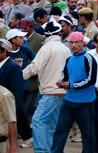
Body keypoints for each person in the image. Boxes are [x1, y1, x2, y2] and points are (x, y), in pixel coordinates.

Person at [22, 21, 71, 153]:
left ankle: (43, 151)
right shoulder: (65, 48)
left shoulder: (47, 48)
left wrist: (19, 75)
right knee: (51, 125)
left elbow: (34, 67)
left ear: (46, 34)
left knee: (38, 121)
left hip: (51, 92)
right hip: (63, 92)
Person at [51, 31, 98, 153]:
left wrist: (71, 85)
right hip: (69, 101)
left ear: (82, 43)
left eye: (76, 42)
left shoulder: (89, 58)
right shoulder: (69, 59)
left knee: (88, 135)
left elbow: (91, 80)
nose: (73, 45)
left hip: (85, 103)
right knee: (60, 131)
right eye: (71, 42)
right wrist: (61, 82)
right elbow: (65, 75)